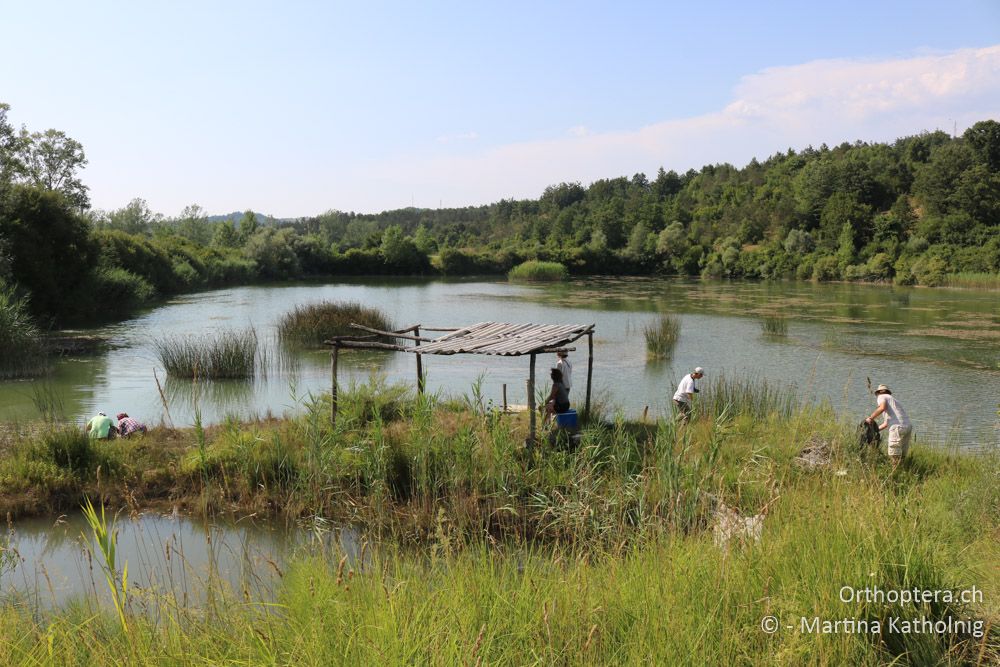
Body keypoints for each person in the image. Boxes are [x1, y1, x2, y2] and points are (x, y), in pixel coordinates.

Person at [866, 384, 912, 468]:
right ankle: (902, 469)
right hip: (908, 427)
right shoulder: (893, 401)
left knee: (894, 454)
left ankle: (894, 472)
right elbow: (886, 423)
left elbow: (882, 407)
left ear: (878, 393)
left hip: (897, 427)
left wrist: (870, 418)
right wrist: (875, 430)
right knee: (902, 454)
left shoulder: (881, 396)